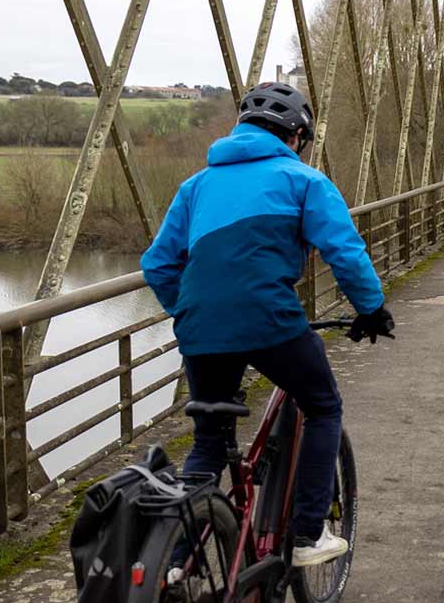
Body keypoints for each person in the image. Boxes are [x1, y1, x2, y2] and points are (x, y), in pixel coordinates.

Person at [141, 81, 394, 567]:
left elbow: (158, 265)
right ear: (296, 135)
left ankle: (170, 567)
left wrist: (190, 311)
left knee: (209, 443)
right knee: (322, 406)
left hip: (200, 332)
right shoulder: (304, 181)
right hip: (270, 323)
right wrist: (371, 309)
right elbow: (344, 252)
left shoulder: (195, 186)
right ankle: (307, 534)